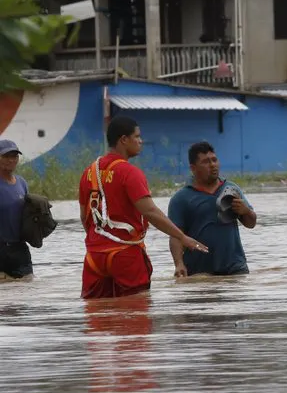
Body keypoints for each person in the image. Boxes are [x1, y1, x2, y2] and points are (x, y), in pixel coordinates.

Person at [78, 114, 207, 299]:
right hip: (126, 256)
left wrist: (100, 243)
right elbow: (150, 212)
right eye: (137, 137)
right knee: (136, 317)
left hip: (94, 258)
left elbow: (85, 217)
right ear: (124, 140)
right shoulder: (130, 173)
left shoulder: (89, 173)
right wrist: (182, 237)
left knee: (97, 317)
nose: (141, 141)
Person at [168, 141, 256, 277]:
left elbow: (251, 224)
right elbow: (176, 236)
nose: (212, 165)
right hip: (199, 271)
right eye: (206, 162)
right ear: (193, 168)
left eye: (214, 160)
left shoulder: (231, 189)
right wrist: (179, 263)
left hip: (235, 268)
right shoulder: (181, 199)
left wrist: (246, 211)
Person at [0, 139, 32, 278]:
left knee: (27, 289)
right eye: (6, 156)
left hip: (20, 249)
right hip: (1, 249)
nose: (11, 160)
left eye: (14, 156)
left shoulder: (22, 183)